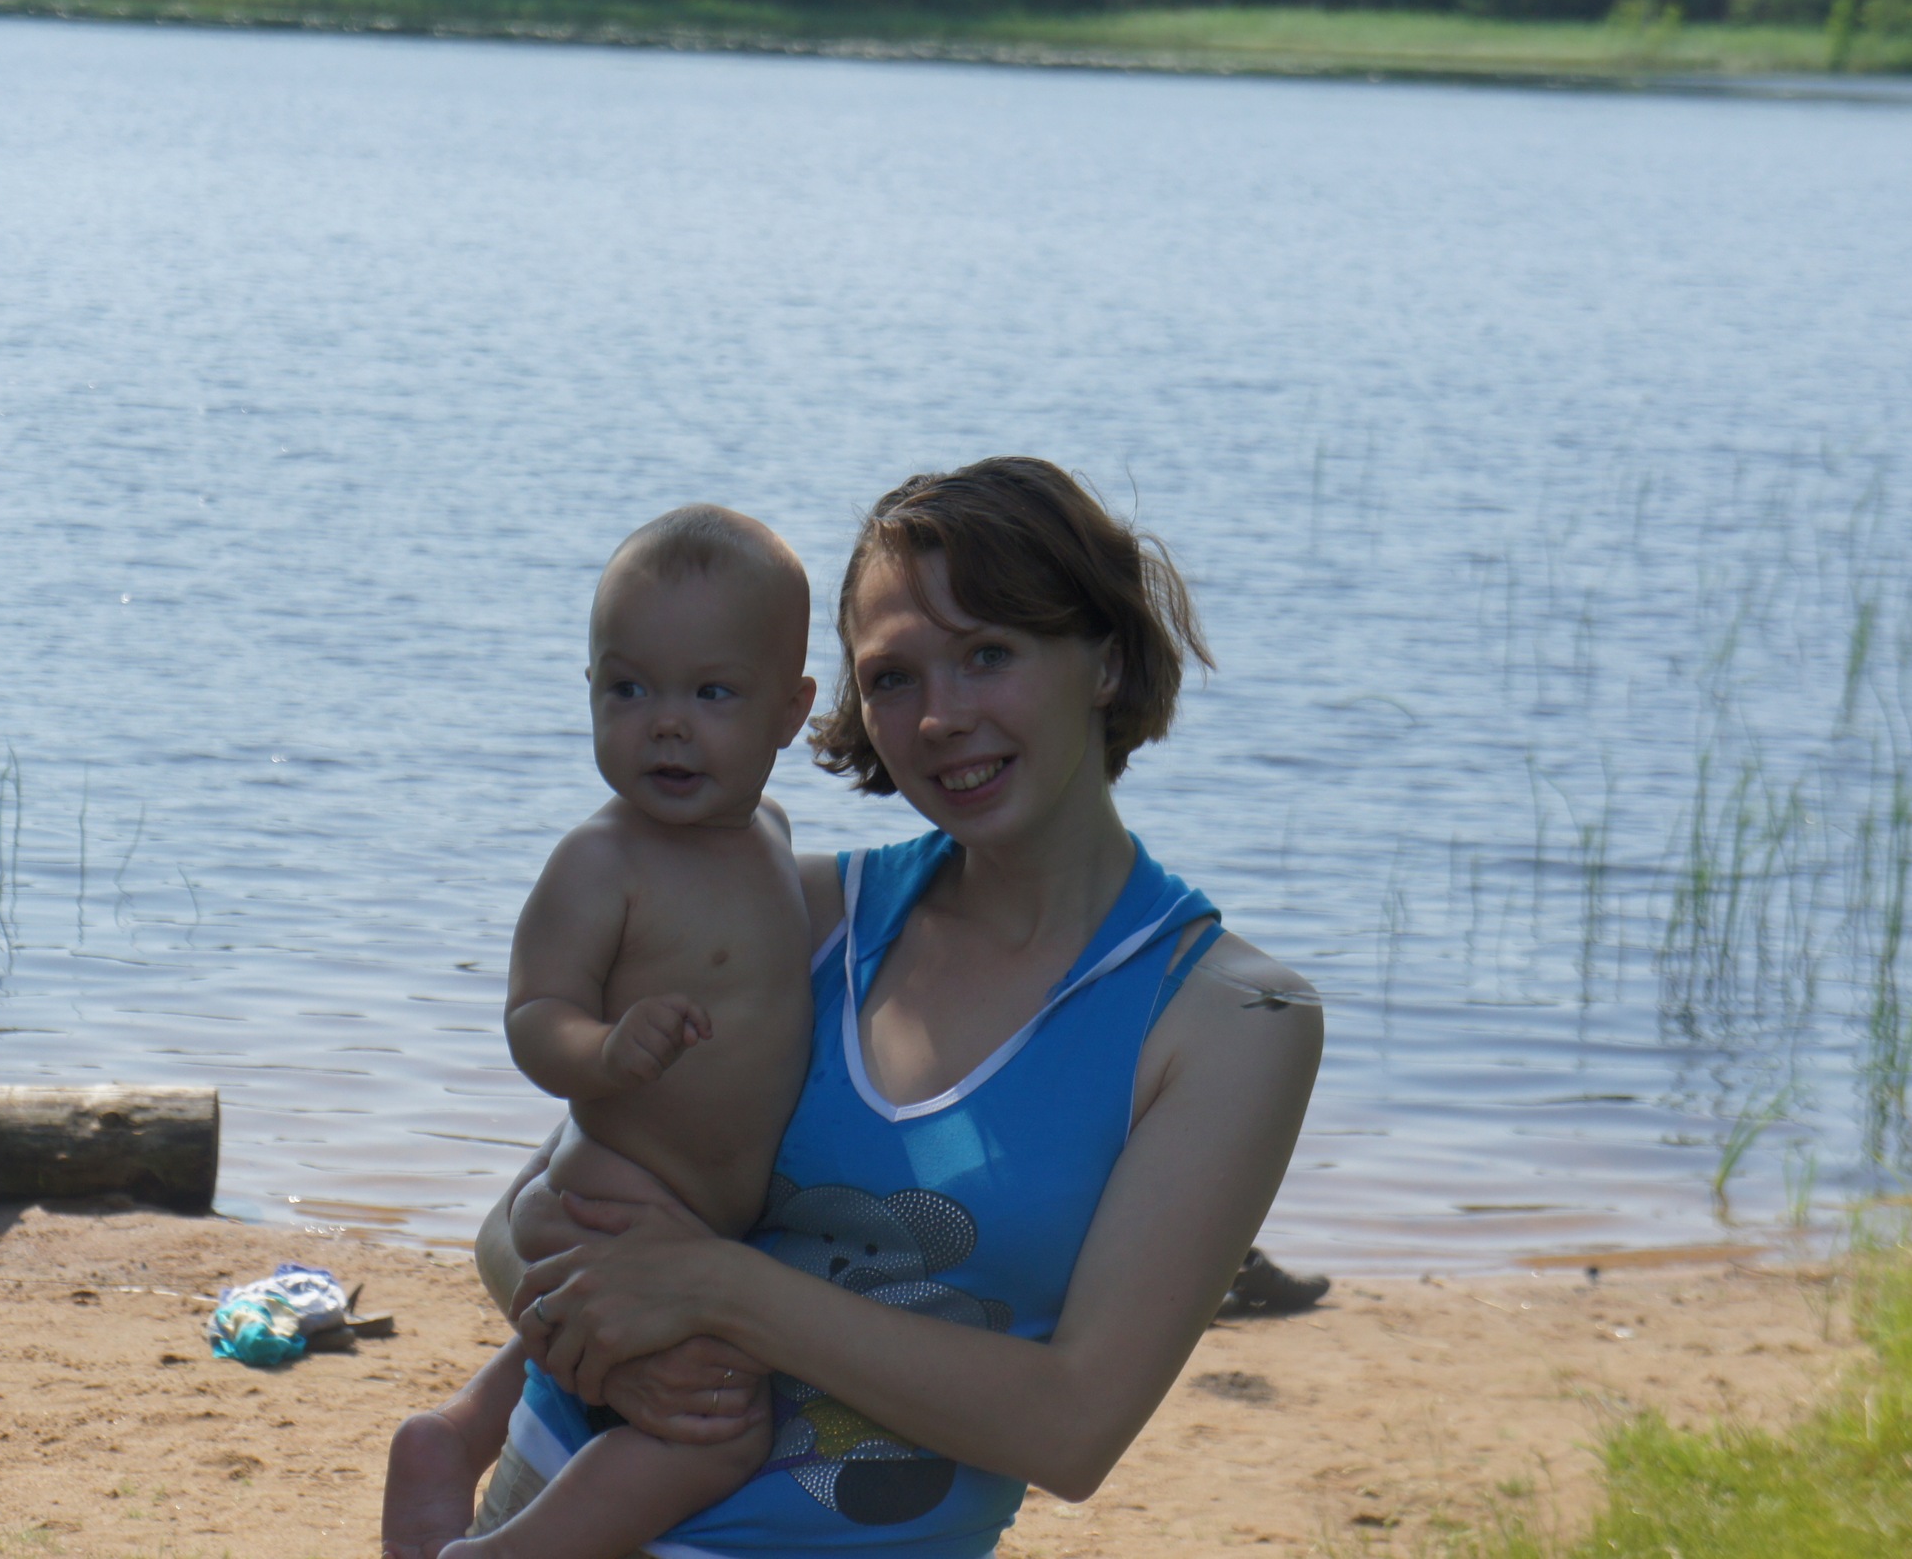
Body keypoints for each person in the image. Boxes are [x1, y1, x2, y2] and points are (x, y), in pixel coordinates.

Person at [455, 457, 1324, 1559]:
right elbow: (515, 1222)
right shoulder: (801, 914)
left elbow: (1072, 1430)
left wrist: (721, 1290)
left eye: (989, 654)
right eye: (893, 677)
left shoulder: (1231, 1020)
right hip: (543, 1508)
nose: (940, 718)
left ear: (1105, 659)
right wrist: (616, 1357)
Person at [383, 506, 822, 1559]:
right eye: (628, 690)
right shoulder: (602, 861)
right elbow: (533, 1017)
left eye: (711, 693)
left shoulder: (771, 836)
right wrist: (604, 1049)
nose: (665, 724)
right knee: (720, 1426)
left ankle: (455, 1437)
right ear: (588, 691)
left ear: (791, 711)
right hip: (615, 1197)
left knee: (597, 1344)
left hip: (688, 1213)